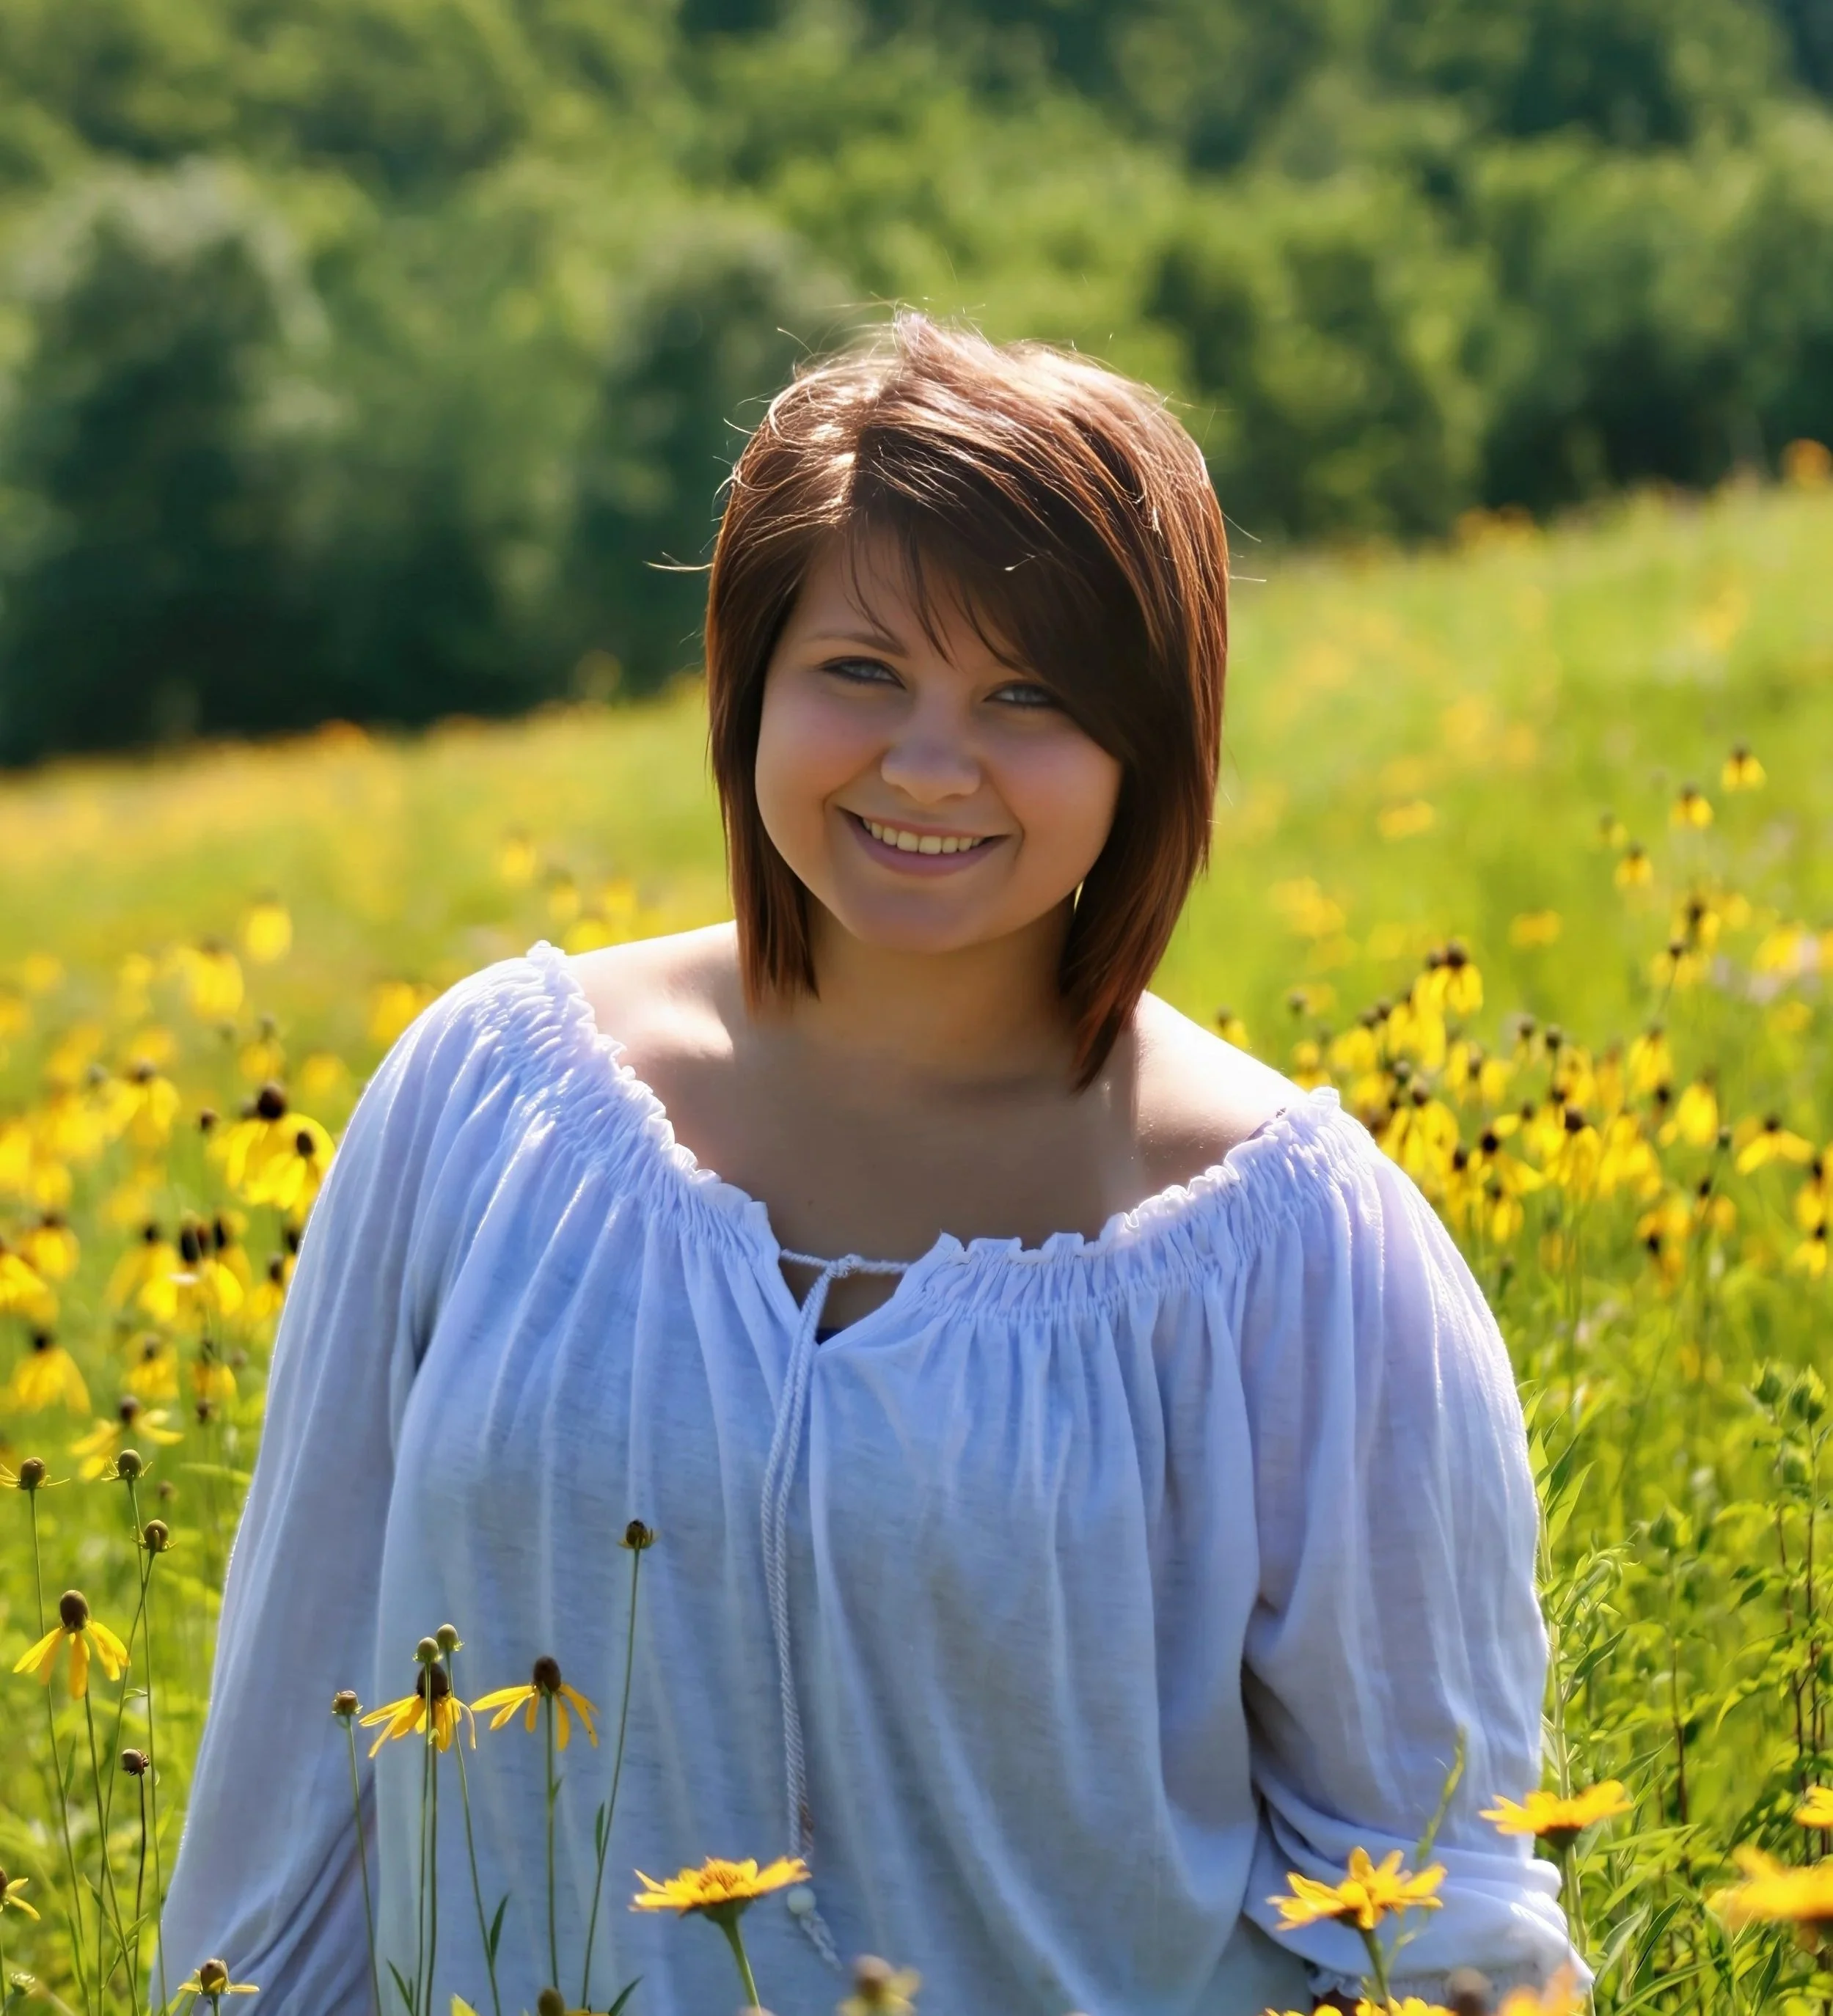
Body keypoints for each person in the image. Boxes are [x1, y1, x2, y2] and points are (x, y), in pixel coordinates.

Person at [162, 315, 1578, 2015]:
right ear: (744, 679)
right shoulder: (487, 1105)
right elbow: (289, 1773)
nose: (929, 763)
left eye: (1029, 696)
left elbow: (1443, 1902)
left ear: (1152, 742)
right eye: (860, 672)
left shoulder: (1293, 1253)